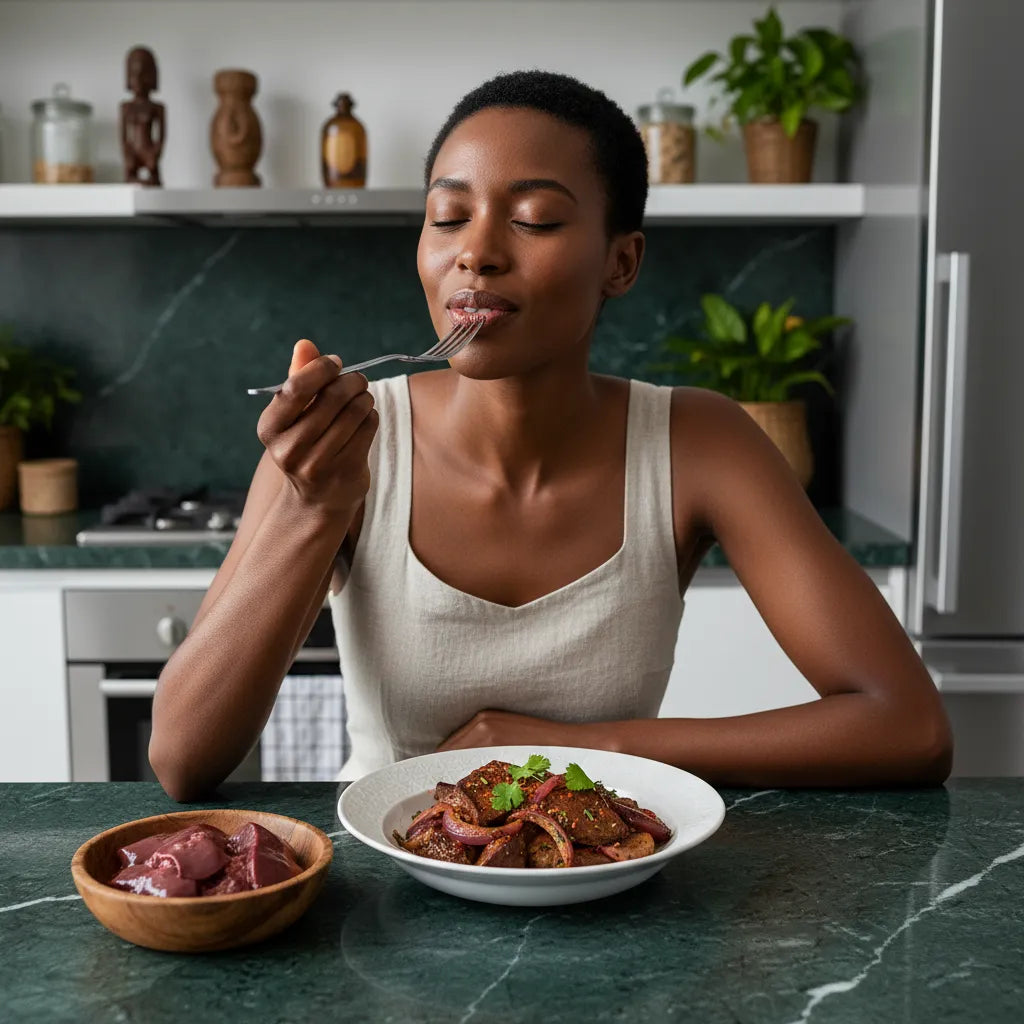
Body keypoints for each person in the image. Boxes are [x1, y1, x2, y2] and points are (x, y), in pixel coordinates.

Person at [150, 71, 952, 801]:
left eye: (533, 219)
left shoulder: (699, 440)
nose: (477, 252)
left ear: (621, 262)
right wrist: (314, 512)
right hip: (383, 892)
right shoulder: (344, 445)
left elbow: (908, 727)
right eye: (448, 216)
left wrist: (582, 750)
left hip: (608, 882)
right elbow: (182, 758)